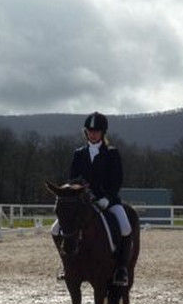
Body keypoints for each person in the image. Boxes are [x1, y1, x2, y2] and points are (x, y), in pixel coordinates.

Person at [51, 111, 133, 286]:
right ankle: (67, 265)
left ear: (103, 133)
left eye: (96, 131)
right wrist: (81, 196)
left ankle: (121, 268)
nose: (93, 134)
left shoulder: (112, 153)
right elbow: (73, 180)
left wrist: (107, 199)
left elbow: (116, 180)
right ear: (86, 132)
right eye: (90, 130)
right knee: (55, 230)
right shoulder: (79, 154)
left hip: (107, 201)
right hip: (83, 202)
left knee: (125, 227)